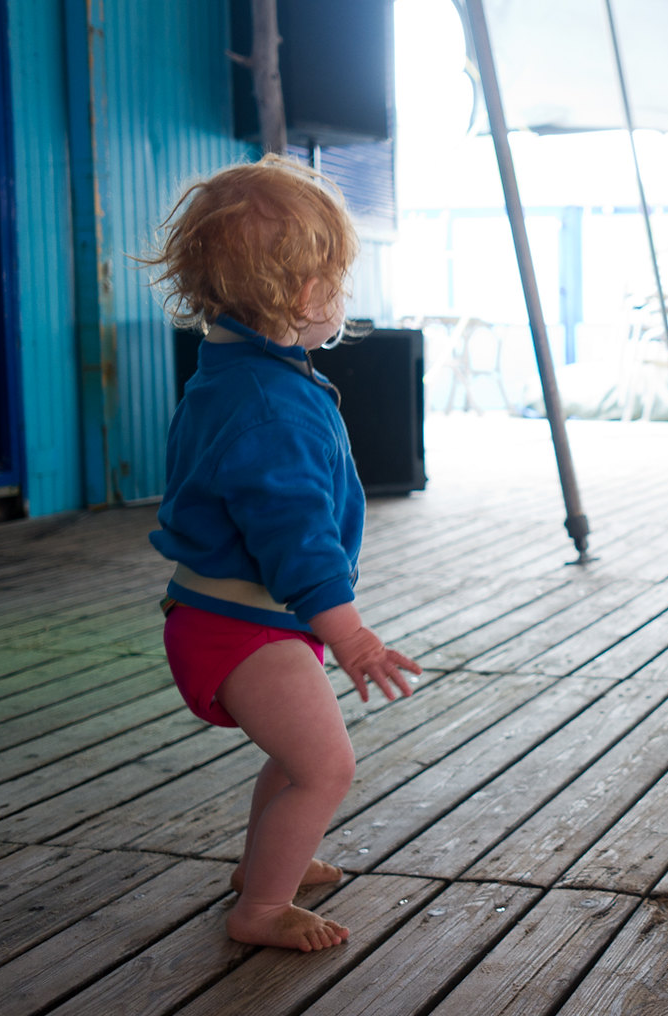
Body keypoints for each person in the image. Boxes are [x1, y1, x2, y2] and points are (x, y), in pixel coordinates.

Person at [144, 156, 421, 952]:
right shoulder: (269, 406)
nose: (339, 297)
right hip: (242, 624)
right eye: (333, 281)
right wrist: (352, 636)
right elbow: (295, 539)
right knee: (325, 767)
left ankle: (270, 862)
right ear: (301, 295)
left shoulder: (236, 370)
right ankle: (260, 909)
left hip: (224, 614)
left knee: (300, 756)